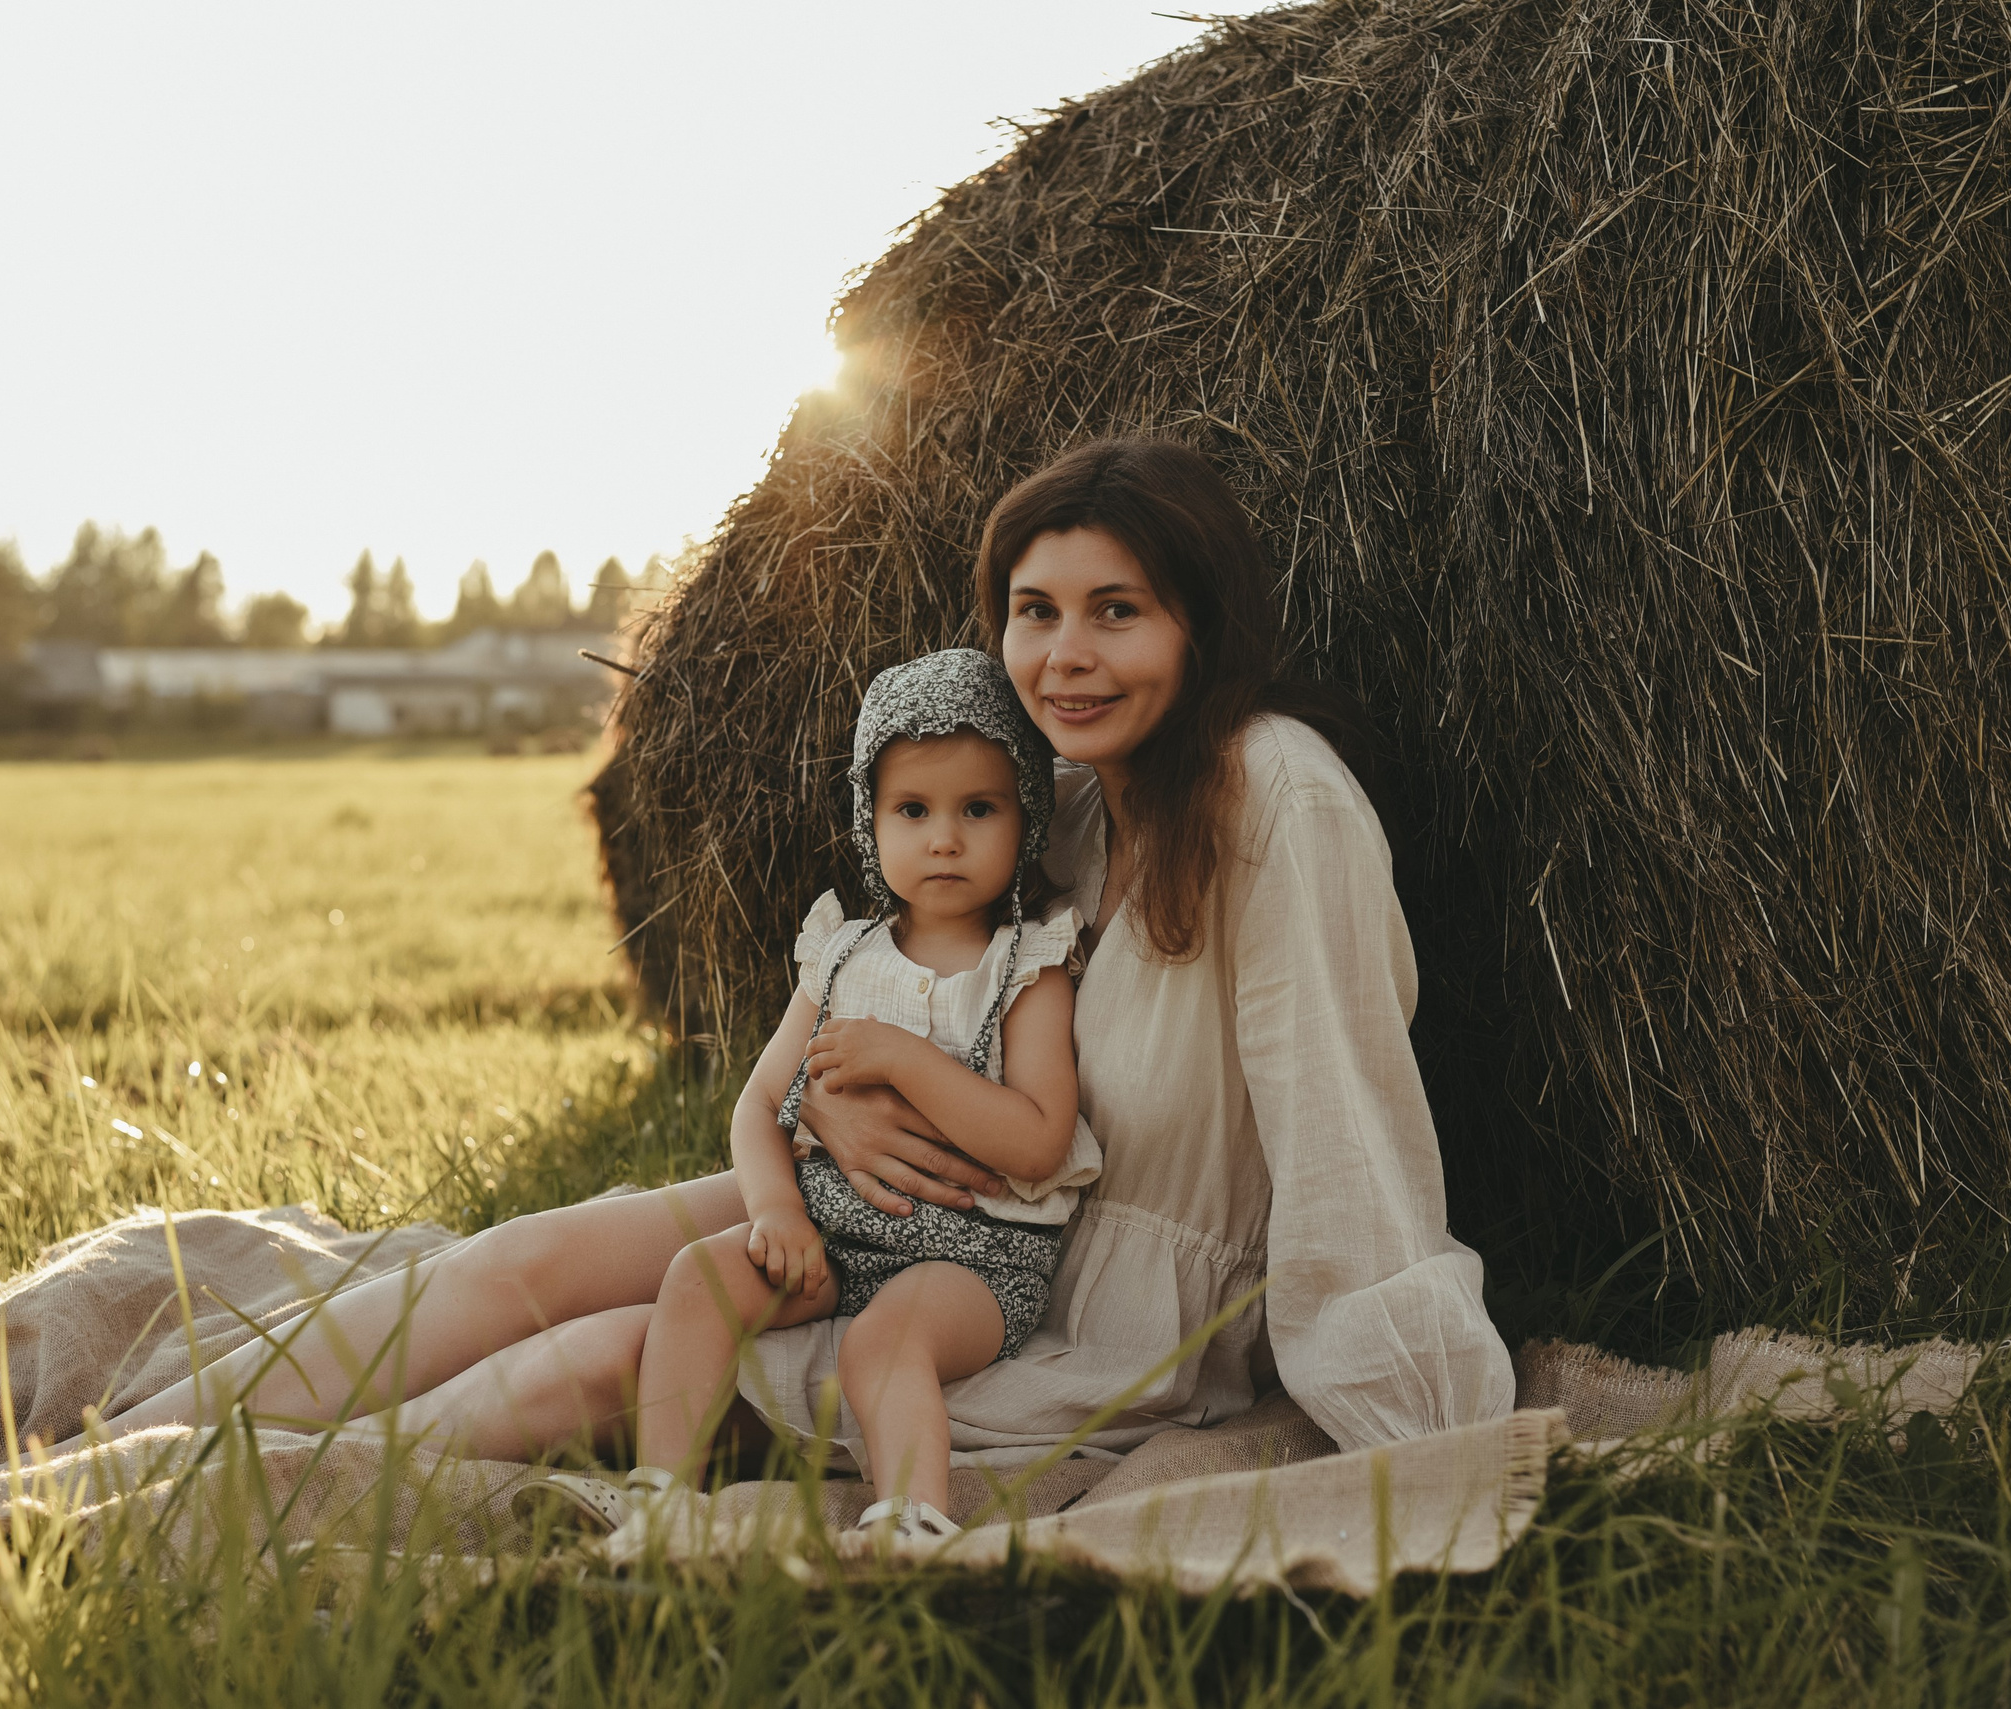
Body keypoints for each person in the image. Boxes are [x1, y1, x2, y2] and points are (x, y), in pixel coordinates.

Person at [80, 436, 1513, 1485]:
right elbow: (927, 984)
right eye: (1035, 610)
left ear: (1204, 625)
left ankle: (207, 1496)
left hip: (1058, 1280)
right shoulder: (1066, 801)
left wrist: (1412, 1404)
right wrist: (824, 1095)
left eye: (1118, 612)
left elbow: (1344, 1122)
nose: (1066, 656)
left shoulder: (1275, 796)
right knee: (546, 1251)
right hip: (896, 1187)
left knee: (608, 1350)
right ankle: (118, 1439)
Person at [572, 648, 1099, 1552]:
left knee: (883, 1345)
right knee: (697, 1279)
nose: (944, 837)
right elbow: (758, 1103)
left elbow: (1040, 1142)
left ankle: (911, 1519)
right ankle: (661, 1498)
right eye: (913, 810)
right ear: (871, 818)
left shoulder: (1029, 966)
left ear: (1028, 816)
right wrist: (778, 1212)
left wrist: (901, 1057)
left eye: (979, 808)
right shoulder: (842, 953)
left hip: (976, 1258)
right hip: (831, 1234)